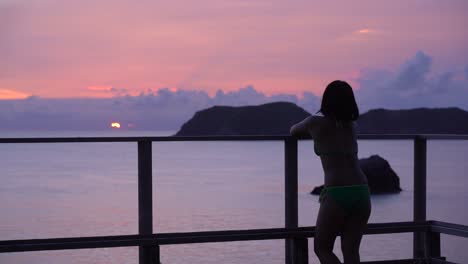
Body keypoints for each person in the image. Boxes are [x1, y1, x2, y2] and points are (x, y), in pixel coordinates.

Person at [290, 80, 371, 264]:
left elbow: (293, 130)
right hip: (361, 190)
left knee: (322, 248)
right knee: (351, 250)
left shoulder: (315, 123)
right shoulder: (351, 127)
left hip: (337, 191)